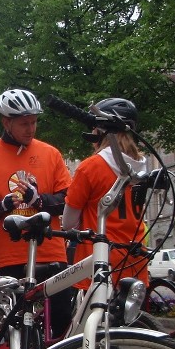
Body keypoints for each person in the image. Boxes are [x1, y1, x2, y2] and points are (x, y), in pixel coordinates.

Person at [0, 88, 73, 336]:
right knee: (16, 328)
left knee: (64, 321)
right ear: (6, 122)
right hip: (9, 257)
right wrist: (0, 206)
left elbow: (68, 199)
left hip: (51, 252)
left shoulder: (50, 154)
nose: (31, 129)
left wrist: (39, 200)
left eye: (34, 122)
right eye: (24, 123)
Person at [61, 97, 150, 290]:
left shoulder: (91, 167)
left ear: (101, 131)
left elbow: (67, 223)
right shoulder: (142, 169)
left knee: (92, 319)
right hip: (134, 259)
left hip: (99, 262)